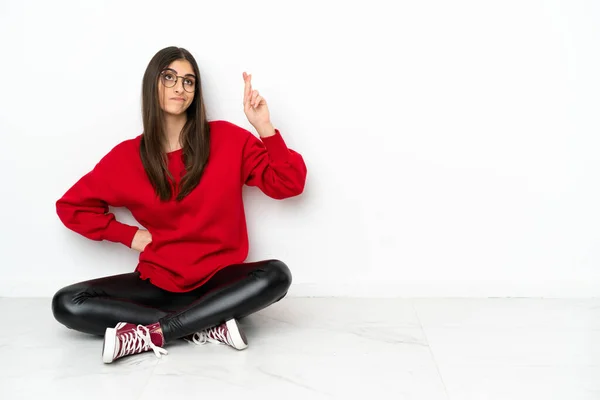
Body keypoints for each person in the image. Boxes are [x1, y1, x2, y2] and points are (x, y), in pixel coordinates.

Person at [51, 46, 307, 364]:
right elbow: (72, 206)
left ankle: (158, 332)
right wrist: (129, 236)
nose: (179, 87)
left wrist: (264, 127)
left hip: (219, 282)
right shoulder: (127, 158)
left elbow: (289, 184)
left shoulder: (229, 139)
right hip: (159, 281)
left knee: (277, 275)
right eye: (169, 77)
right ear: (152, 85)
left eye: (189, 81)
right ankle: (207, 325)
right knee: (67, 302)